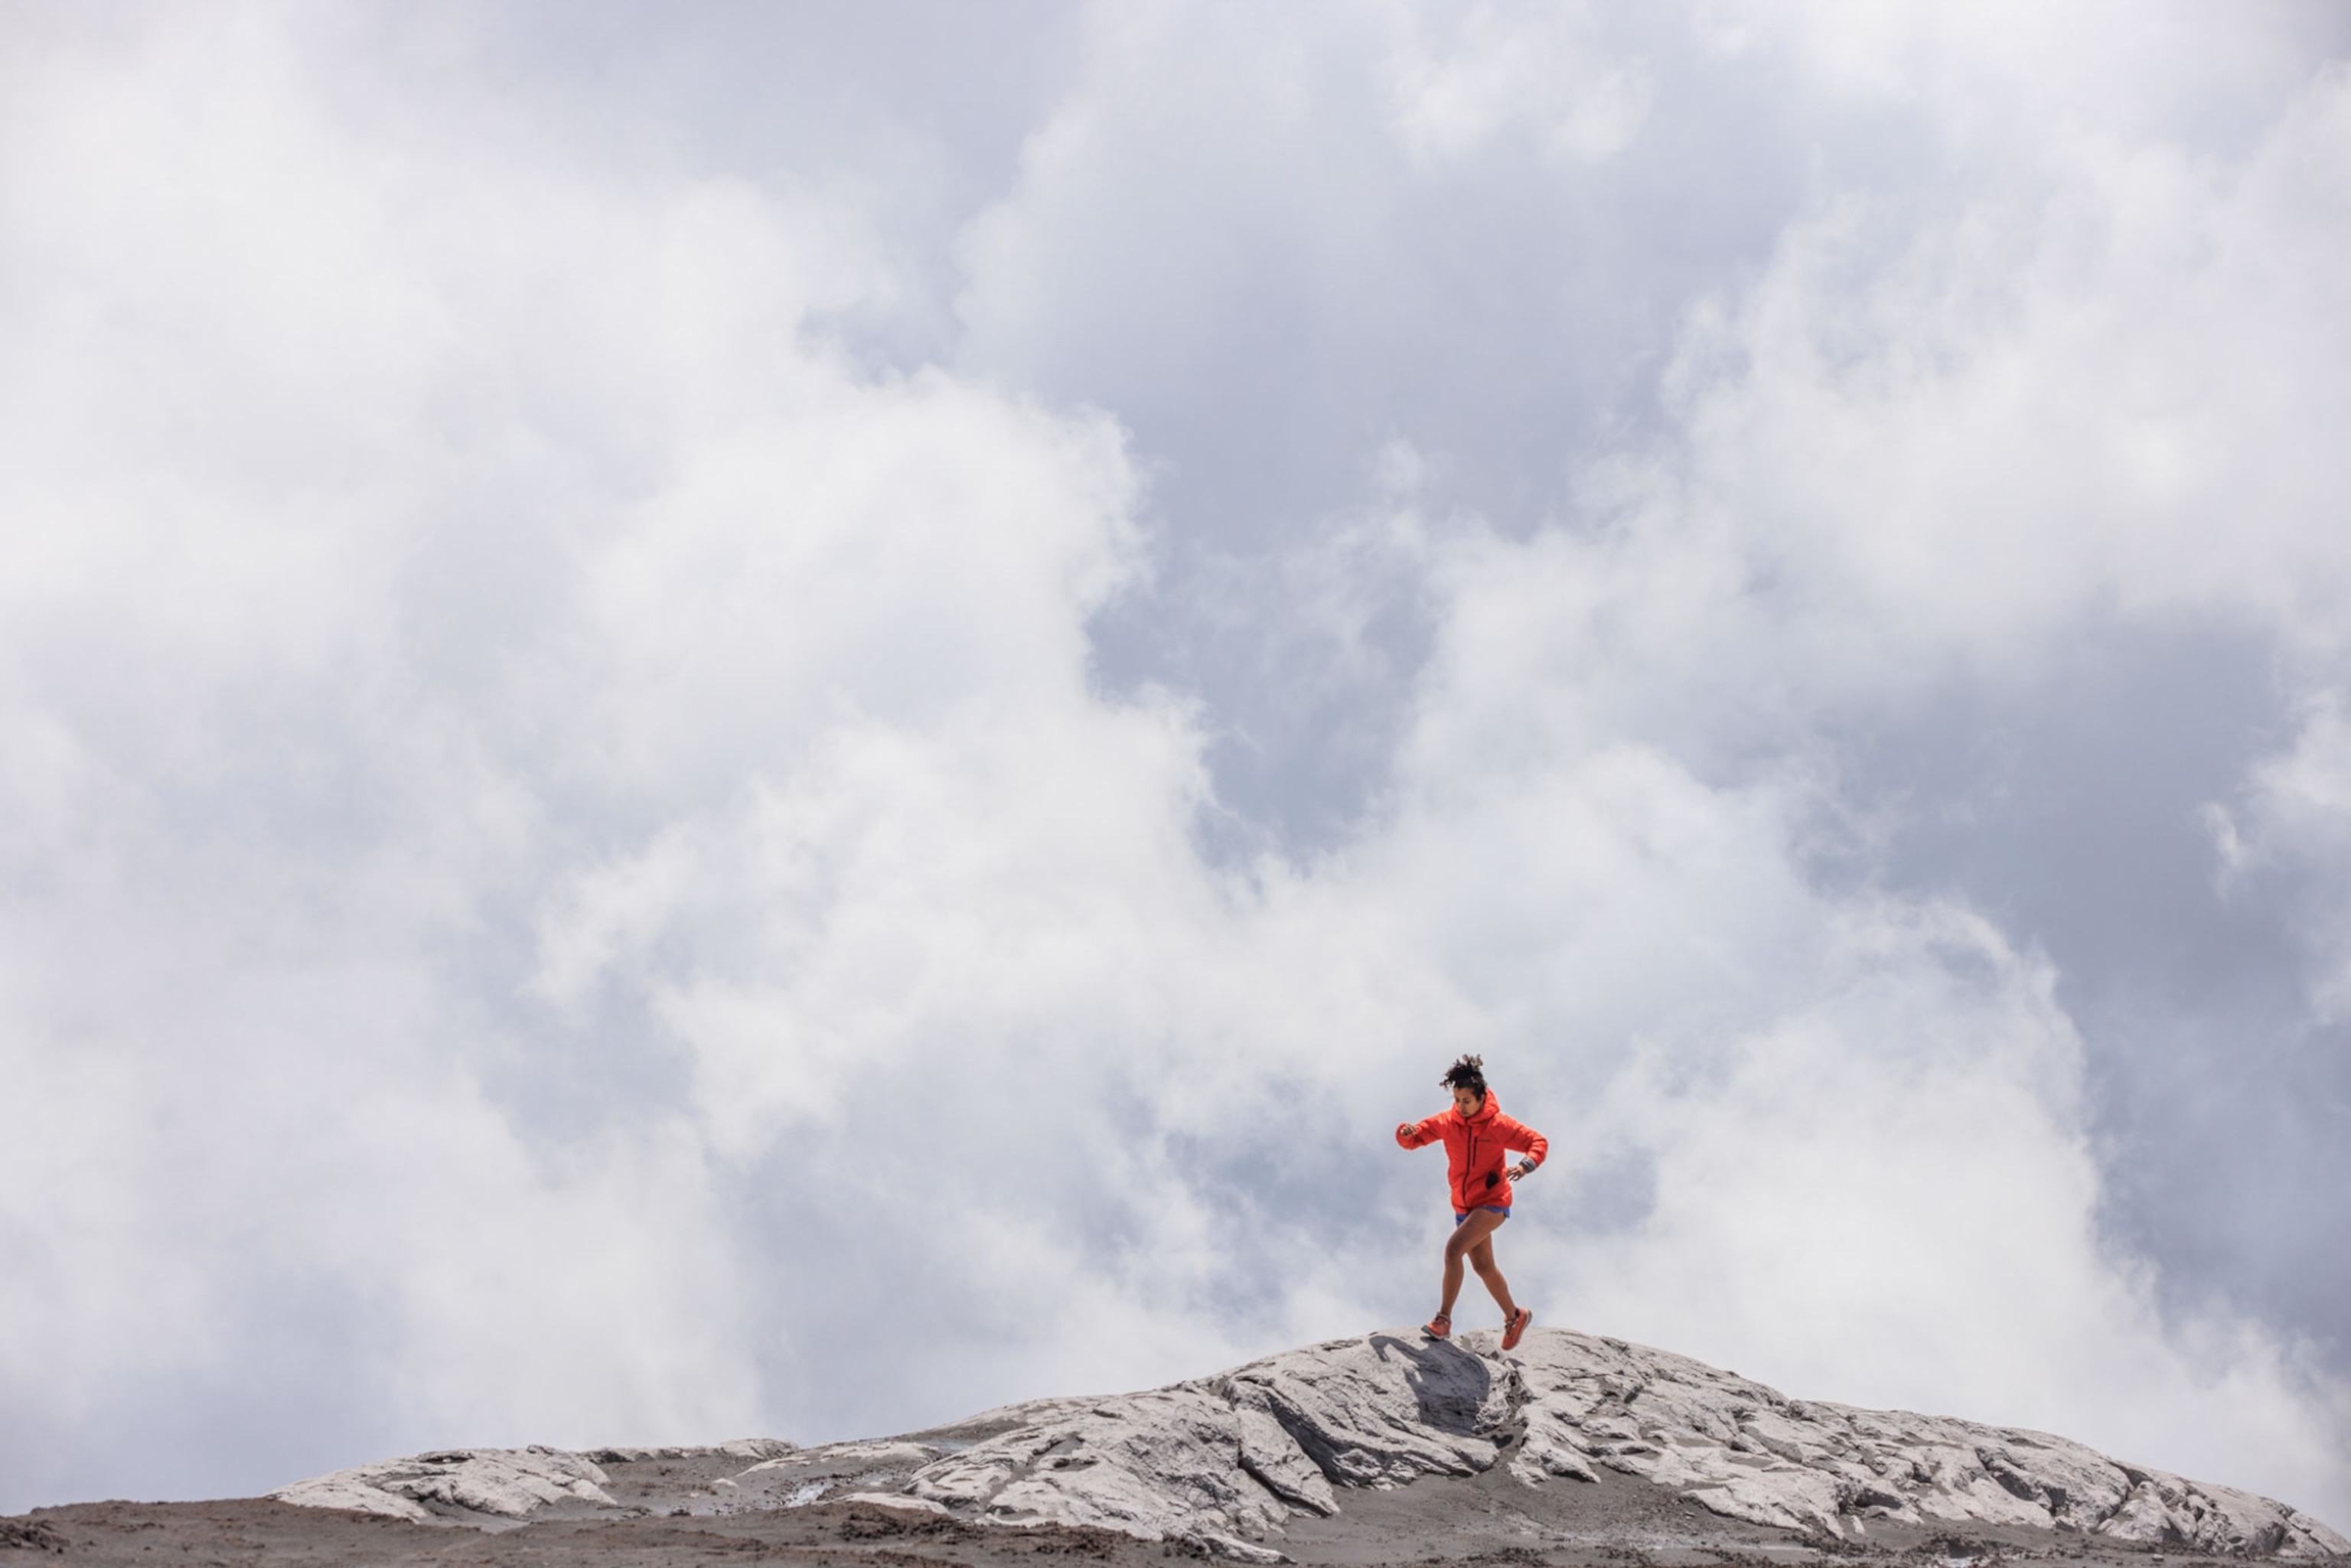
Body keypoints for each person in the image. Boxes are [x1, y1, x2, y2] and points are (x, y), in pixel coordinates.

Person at [1395, 1054, 1547, 1350]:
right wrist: (1405, 1132)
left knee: (1453, 1250)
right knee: (1483, 1267)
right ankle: (1515, 1316)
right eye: (1457, 1100)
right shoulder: (1447, 1122)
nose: (1461, 1107)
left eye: (1467, 1101)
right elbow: (1415, 1139)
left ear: (1481, 1099)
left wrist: (1526, 1165)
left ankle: (1443, 1320)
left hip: (1492, 1202)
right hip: (1463, 1207)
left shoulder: (1498, 1125)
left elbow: (1537, 1142)